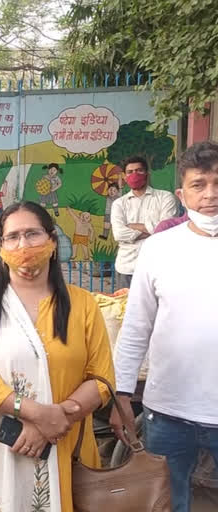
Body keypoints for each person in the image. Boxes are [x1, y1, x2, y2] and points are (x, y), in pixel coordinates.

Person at [0, 201, 115, 512]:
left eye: (33, 234)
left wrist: (56, 419)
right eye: (13, 236)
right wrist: (36, 414)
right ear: (1, 247)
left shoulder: (82, 304)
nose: (23, 244)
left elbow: (101, 378)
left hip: (65, 443)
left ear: (52, 241)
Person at [111, 141, 218, 512]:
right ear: (181, 194)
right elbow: (136, 326)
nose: (210, 194)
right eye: (199, 184)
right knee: (169, 504)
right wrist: (120, 393)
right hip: (169, 412)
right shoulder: (159, 248)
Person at [110, 156, 178, 288]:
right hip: (127, 267)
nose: (134, 175)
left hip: (157, 267)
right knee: (126, 307)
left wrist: (133, 226)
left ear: (147, 173)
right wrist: (153, 229)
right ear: (124, 176)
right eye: (130, 172)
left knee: (158, 308)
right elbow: (119, 234)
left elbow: (166, 230)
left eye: (139, 170)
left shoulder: (165, 198)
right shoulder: (119, 204)